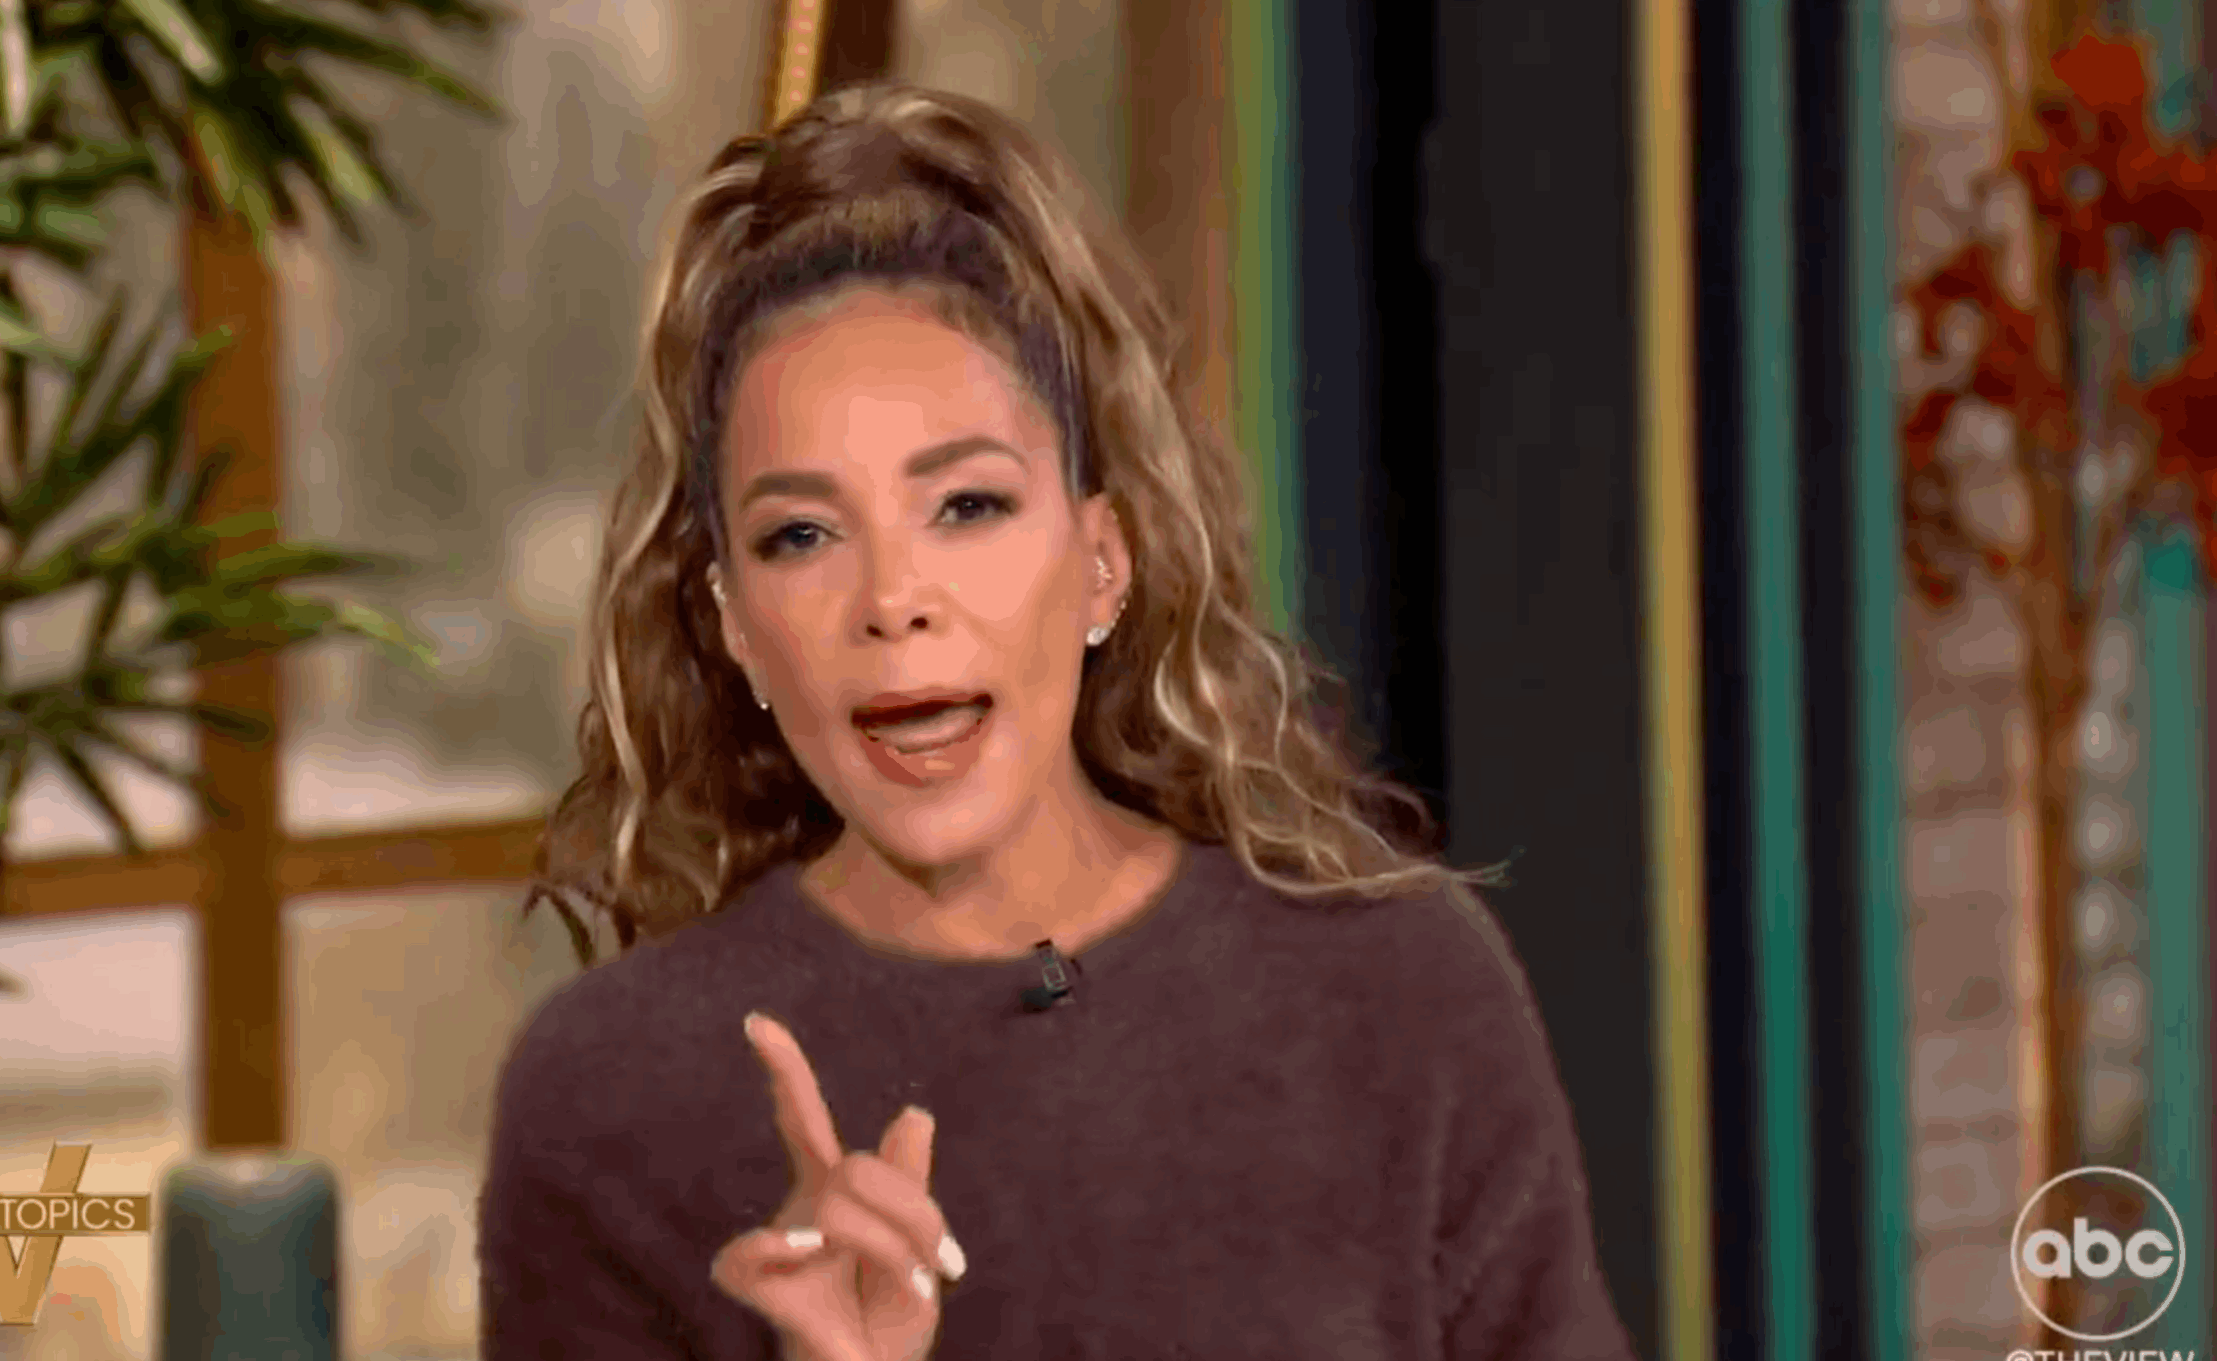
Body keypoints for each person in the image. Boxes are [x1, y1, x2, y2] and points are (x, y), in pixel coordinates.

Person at [479, 83, 1636, 1361]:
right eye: (801, 534)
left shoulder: (1400, 994)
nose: (891, 600)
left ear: (1101, 563)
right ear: (735, 623)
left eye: (966, 505)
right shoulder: (610, 1096)